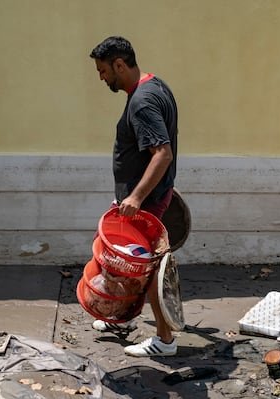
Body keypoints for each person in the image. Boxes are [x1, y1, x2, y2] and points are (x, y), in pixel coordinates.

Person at [89, 36, 179, 356]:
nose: (101, 77)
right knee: (127, 266)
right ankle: (123, 319)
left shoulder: (141, 101)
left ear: (119, 65)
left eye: (103, 70)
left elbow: (162, 153)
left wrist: (137, 198)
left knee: (148, 269)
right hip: (151, 196)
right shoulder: (155, 86)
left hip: (143, 204)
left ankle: (164, 341)